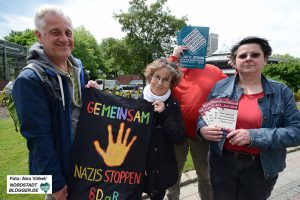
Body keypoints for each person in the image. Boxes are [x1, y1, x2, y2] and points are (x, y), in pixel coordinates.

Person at [197, 36, 300, 200]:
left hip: (260, 166)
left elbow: (296, 132)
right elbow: (205, 116)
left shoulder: (281, 92)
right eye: (242, 56)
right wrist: (202, 129)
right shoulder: (220, 87)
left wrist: (253, 136)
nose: (248, 59)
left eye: (255, 55)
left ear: (265, 59)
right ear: (235, 61)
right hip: (222, 163)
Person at [12, 5, 98, 200]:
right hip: (60, 175)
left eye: (68, 32)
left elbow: (77, 109)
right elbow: (38, 139)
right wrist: (54, 184)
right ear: (39, 36)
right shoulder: (30, 79)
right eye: (55, 32)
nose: (64, 38)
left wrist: (91, 92)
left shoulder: (77, 67)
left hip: (84, 166)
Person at [166, 46, 227, 200]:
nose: (191, 53)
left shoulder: (212, 70)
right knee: (173, 173)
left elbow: (232, 87)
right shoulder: (174, 69)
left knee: (205, 175)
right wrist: (173, 58)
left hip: (202, 134)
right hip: (176, 133)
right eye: (186, 50)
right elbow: (158, 77)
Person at [142, 58, 186, 200]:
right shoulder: (138, 101)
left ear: (171, 83)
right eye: (157, 77)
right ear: (150, 77)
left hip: (161, 167)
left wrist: (164, 115)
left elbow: (179, 137)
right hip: (139, 165)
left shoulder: (172, 104)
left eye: (166, 80)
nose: (160, 83)